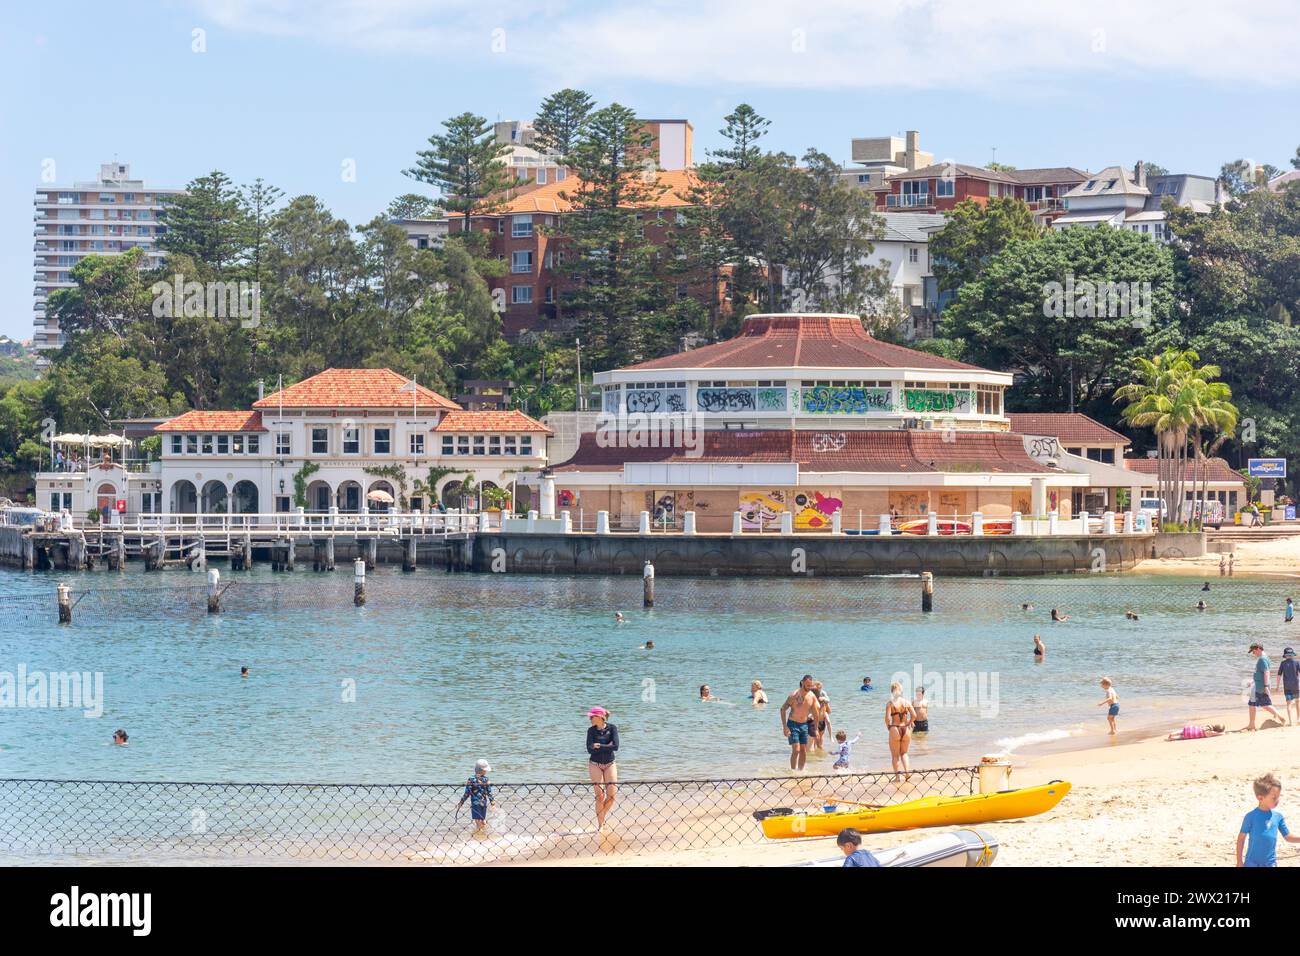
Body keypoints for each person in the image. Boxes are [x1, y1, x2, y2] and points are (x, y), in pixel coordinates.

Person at [1237, 773, 1300, 867]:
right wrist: (1239, 861)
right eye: (1274, 798)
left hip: (1270, 863)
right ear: (1260, 798)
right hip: (1251, 863)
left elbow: (1287, 837)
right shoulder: (1250, 817)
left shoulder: (1278, 817)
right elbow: (1241, 839)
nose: (1277, 800)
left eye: (1278, 797)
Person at [585, 707, 619, 830]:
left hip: (610, 763)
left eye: (592, 717)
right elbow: (589, 749)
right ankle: (600, 825)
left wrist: (599, 745)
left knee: (612, 796)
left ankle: (601, 816)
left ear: (600, 717)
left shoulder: (612, 728)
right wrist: (606, 746)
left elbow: (615, 746)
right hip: (595, 764)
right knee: (599, 796)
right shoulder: (591, 731)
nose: (590, 719)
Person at [780, 675, 821, 771]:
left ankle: (800, 772)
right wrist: (785, 727)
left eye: (810, 686)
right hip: (792, 724)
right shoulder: (794, 695)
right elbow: (782, 709)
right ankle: (793, 772)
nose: (808, 687)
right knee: (796, 750)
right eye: (807, 685)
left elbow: (816, 714)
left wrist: (816, 729)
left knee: (803, 750)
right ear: (802, 682)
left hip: (804, 725)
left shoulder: (812, 696)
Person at [1248, 643, 1288, 730]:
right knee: (1255, 704)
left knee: (1263, 704)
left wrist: (1266, 686)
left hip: (1261, 686)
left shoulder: (1262, 659)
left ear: (1258, 649)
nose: (1253, 653)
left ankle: (1280, 716)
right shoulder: (1265, 658)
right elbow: (1260, 673)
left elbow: (1266, 672)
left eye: (1254, 651)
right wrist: (1252, 681)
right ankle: (1252, 724)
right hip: (1259, 684)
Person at [885, 682, 915, 779]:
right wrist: (909, 722)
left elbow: (887, 718)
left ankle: (897, 777)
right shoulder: (906, 702)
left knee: (895, 755)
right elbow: (914, 715)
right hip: (905, 729)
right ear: (901, 691)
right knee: (904, 753)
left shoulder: (890, 703)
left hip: (895, 728)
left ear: (892, 691)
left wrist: (888, 727)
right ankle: (907, 772)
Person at [456, 759, 495, 833]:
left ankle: (479, 833)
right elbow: (489, 792)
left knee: (477, 820)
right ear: (483, 770)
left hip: (475, 804)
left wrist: (461, 802)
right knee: (483, 819)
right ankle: (484, 831)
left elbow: (467, 793)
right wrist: (492, 803)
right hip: (484, 803)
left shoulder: (471, 779)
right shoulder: (486, 779)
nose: (486, 771)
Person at [1277, 647, 1300, 725]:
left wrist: (1277, 686)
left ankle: (1290, 722)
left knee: (1289, 704)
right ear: (1293, 655)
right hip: (1296, 687)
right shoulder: (1297, 663)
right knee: (1297, 702)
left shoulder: (1283, 663)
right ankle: (1298, 719)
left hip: (1287, 687)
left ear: (1285, 656)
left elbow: (1279, 675)